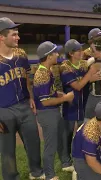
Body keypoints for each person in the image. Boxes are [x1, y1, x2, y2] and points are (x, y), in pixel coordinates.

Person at [0, 17, 44, 180]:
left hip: (24, 106)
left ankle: (37, 172)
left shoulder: (21, 54)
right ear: (2, 37)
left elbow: (26, 78)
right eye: (14, 34)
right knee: (7, 150)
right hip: (3, 110)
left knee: (33, 142)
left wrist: (31, 97)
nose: (18, 38)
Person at [33, 41, 75, 179]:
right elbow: (45, 102)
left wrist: (58, 94)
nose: (58, 54)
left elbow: (48, 93)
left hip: (53, 111)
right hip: (47, 113)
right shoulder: (42, 74)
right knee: (50, 146)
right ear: (49, 56)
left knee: (61, 138)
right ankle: (50, 175)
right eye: (55, 52)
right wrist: (66, 98)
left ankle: (65, 163)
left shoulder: (47, 70)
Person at [60, 39, 101, 171]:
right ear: (71, 53)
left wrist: (91, 77)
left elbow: (91, 78)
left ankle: (81, 157)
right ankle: (65, 162)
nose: (81, 52)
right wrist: (90, 76)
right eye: (78, 50)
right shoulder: (65, 67)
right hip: (71, 106)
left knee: (82, 134)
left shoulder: (84, 64)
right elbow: (77, 86)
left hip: (84, 104)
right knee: (67, 134)